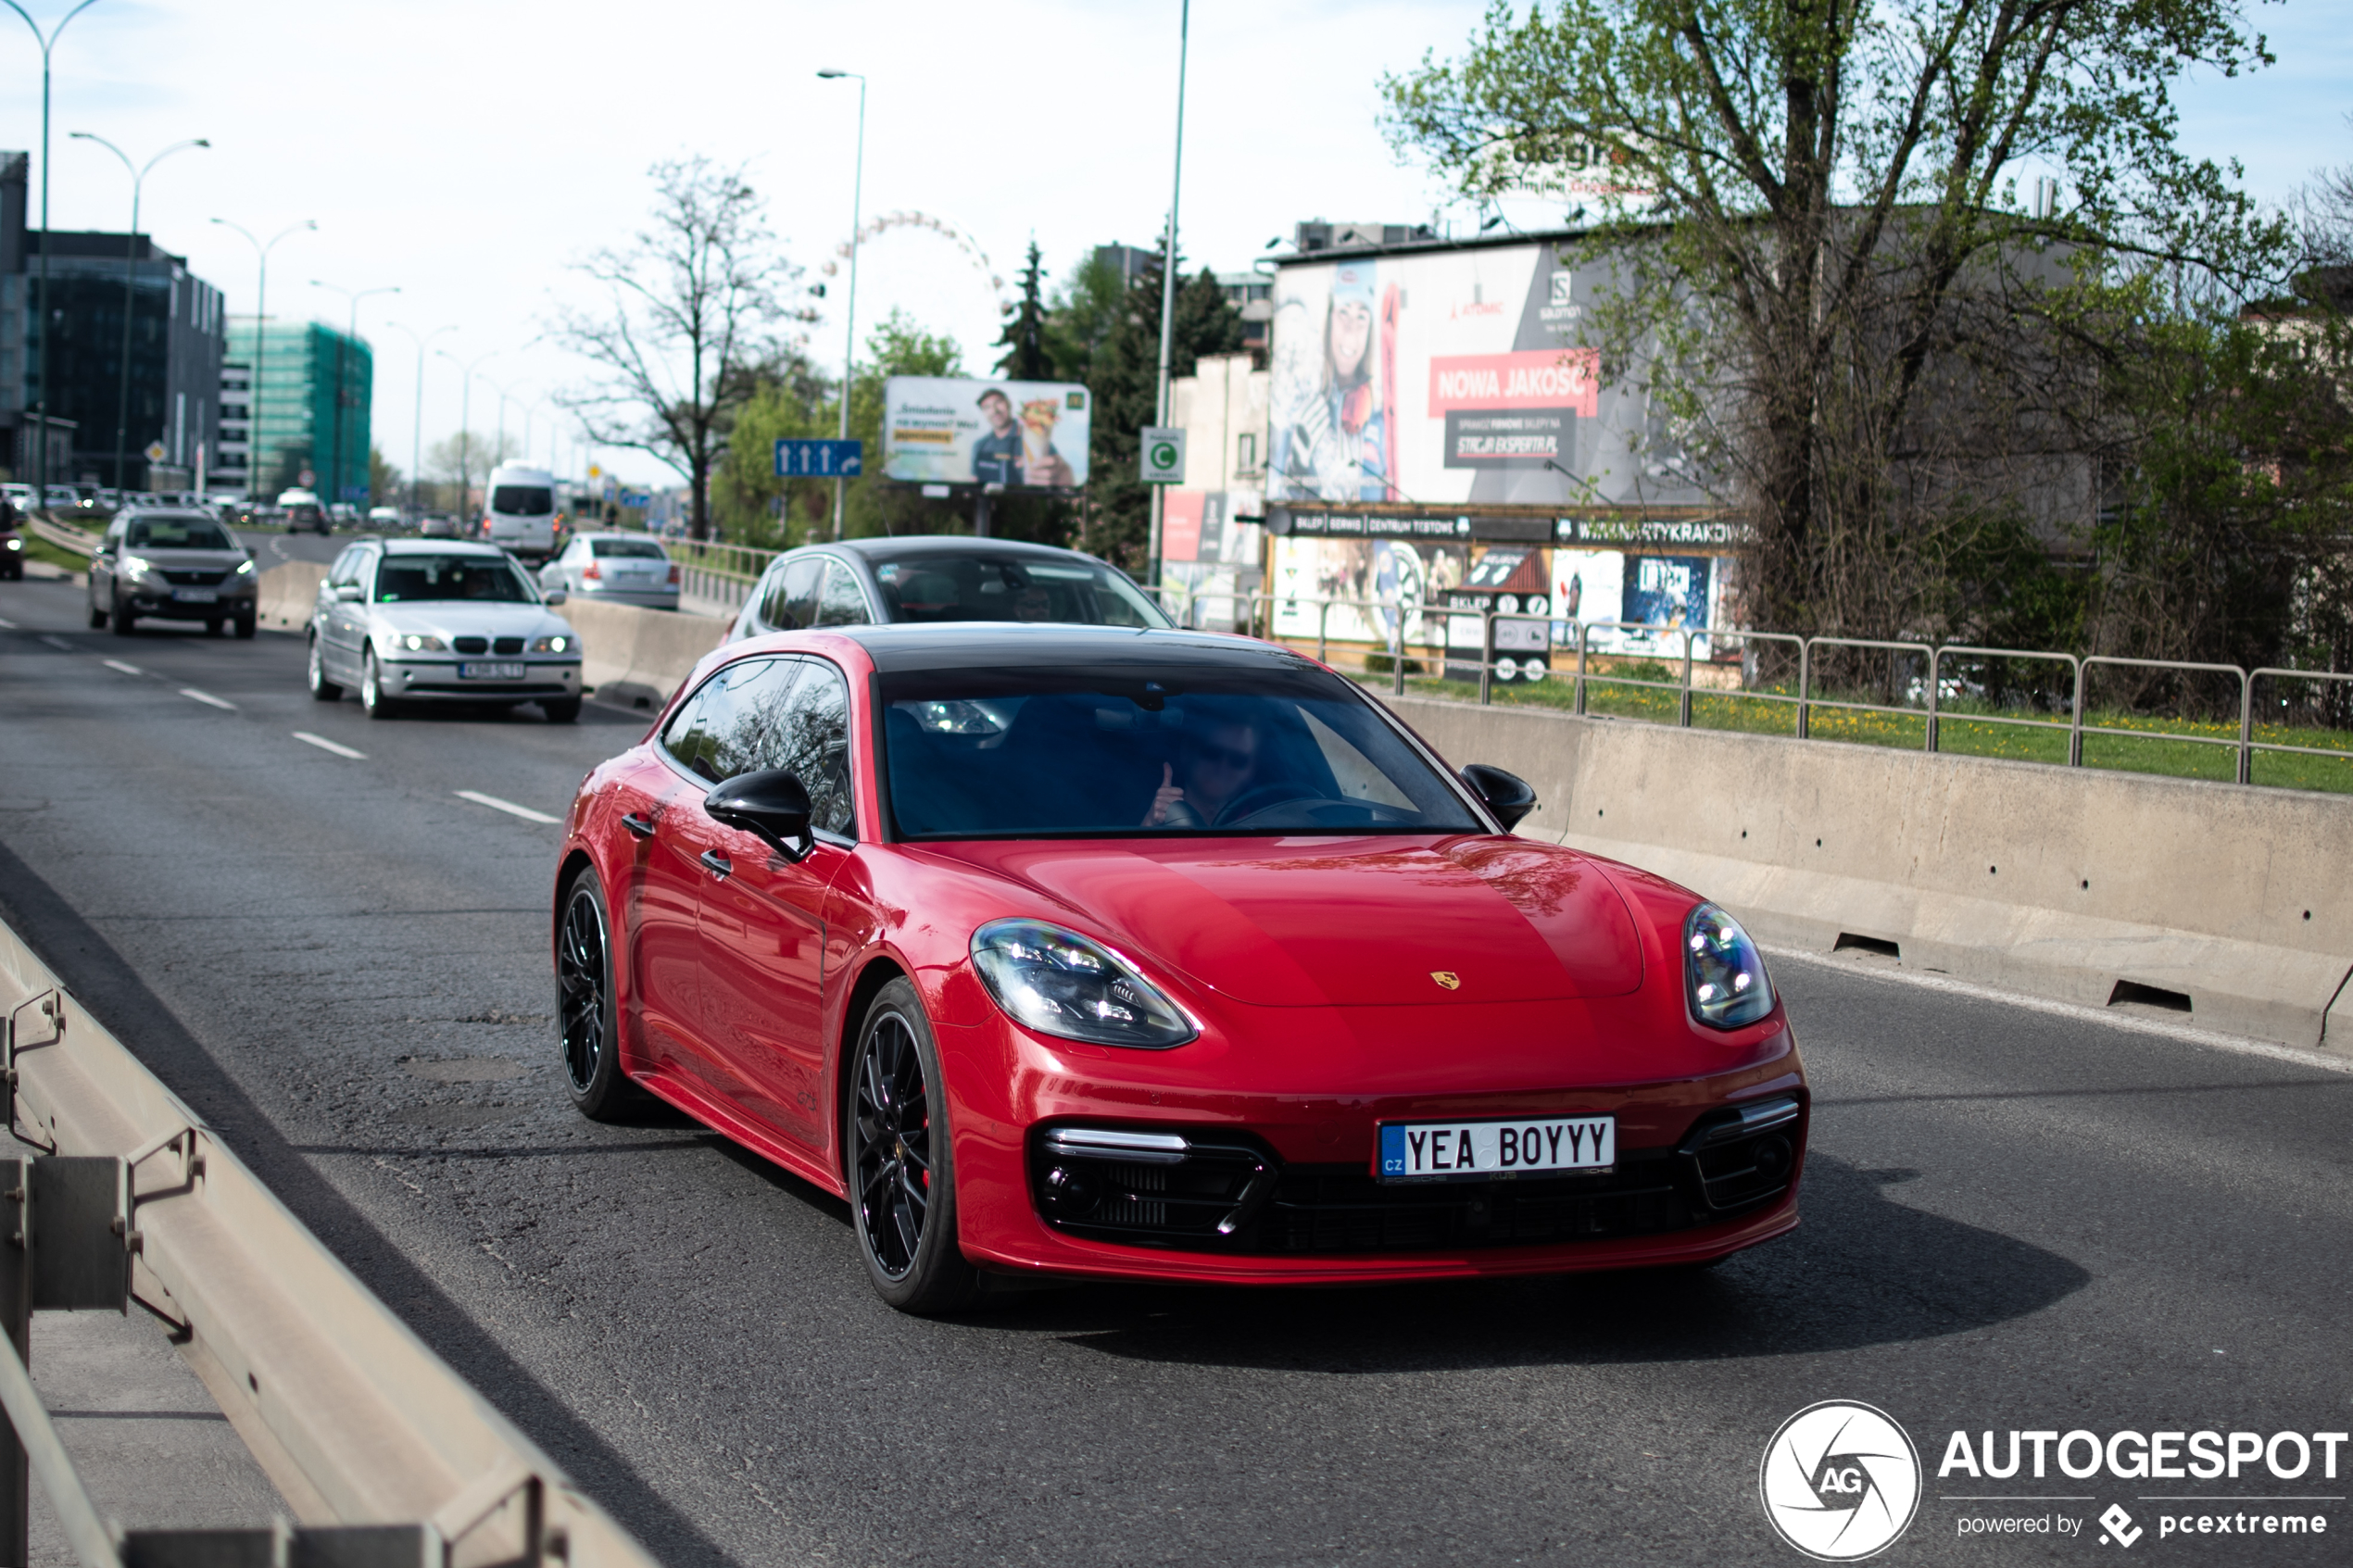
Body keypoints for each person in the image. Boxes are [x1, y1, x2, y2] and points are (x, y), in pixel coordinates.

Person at [1269, 262, 1387, 501]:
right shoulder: (1301, 400)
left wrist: (1356, 487)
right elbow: (1274, 495)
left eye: (1361, 317)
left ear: (1370, 330)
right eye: (1343, 312)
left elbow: (1380, 504)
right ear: (1330, 320)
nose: (1350, 329)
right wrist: (1299, 466)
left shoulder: (1376, 416)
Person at [1143, 720, 1262, 827]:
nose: (1222, 768)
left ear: (1251, 770)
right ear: (1188, 752)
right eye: (1212, 753)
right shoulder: (1144, 810)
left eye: (1238, 760)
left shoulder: (1265, 823)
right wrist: (1151, 822)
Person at [971, 389, 1024, 486]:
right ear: (983, 412)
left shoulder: (1030, 439)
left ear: (1009, 404)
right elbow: (975, 481)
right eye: (987, 407)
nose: (995, 410)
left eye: (998, 402)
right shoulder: (979, 445)